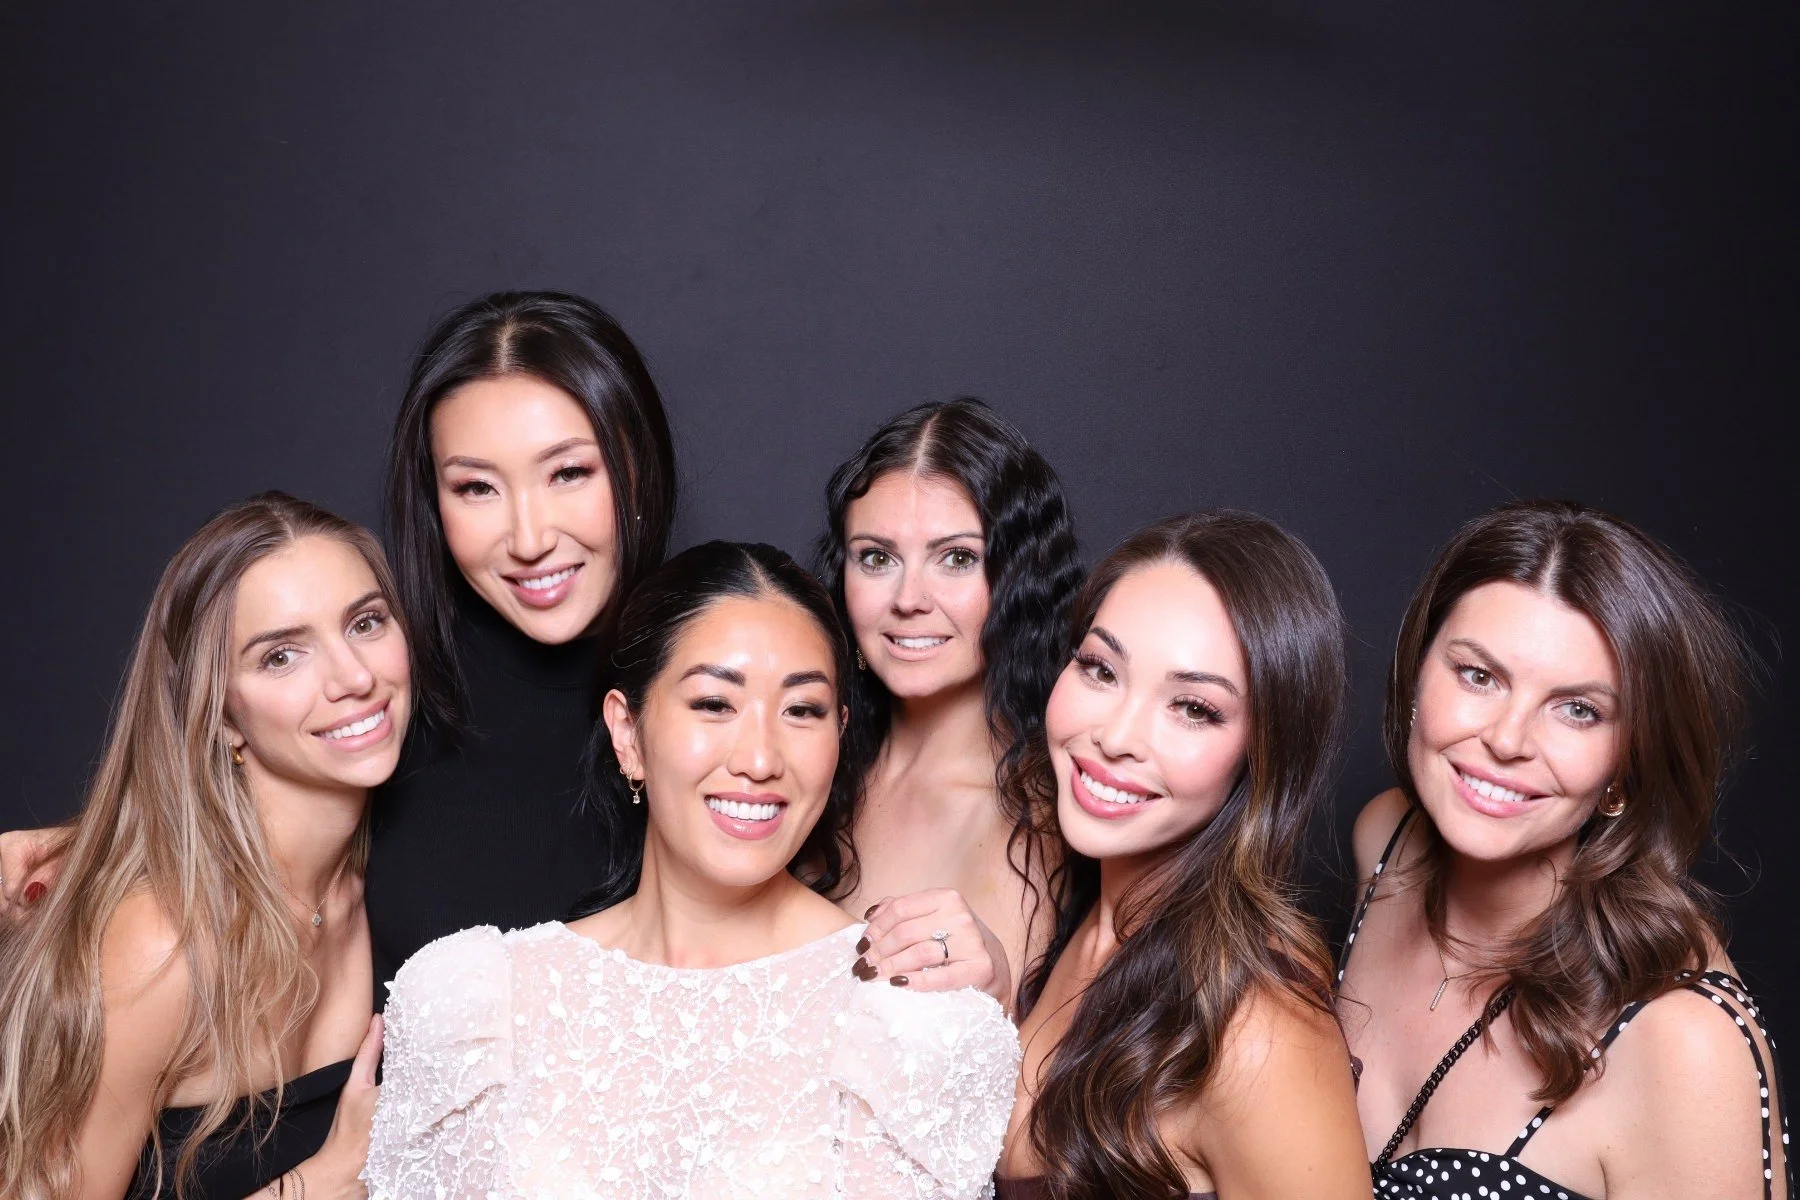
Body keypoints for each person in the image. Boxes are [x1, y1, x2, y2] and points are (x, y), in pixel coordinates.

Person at [2, 290, 679, 991]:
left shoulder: (713, 672)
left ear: (636, 468)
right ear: (434, 500)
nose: (530, 539)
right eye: (477, 488)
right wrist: (95, 847)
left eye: (569, 473)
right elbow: (240, 800)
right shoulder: (387, 675)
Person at [364, 542, 1019, 1200]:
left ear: (838, 734)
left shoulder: (908, 1019)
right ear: (628, 733)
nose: (760, 759)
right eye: (714, 704)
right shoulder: (479, 1003)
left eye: (802, 710)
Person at [1337, 500, 1789, 1199]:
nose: (1507, 739)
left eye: (1578, 710)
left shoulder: (1681, 1041)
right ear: (1417, 671)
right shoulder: (1386, 841)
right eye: (1478, 675)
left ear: (1626, 765)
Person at [0, 494, 406, 1200]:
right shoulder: (166, 948)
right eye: (281, 656)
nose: (355, 678)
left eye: (365, 623)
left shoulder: (401, 869)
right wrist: (311, 1188)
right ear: (219, 714)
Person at [998, 511, 1371, 1200]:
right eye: (1101, 669)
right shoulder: (1078, 913)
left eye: (1193, 708)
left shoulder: (1258, 1030)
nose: (1116, 736)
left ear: (1263, 750)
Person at [815, 398, 1083, 1005]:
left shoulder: (1046, 819)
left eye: (957, 558)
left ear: (1019, 579)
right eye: (877, 558)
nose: (909, 598)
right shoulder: (808, 767)